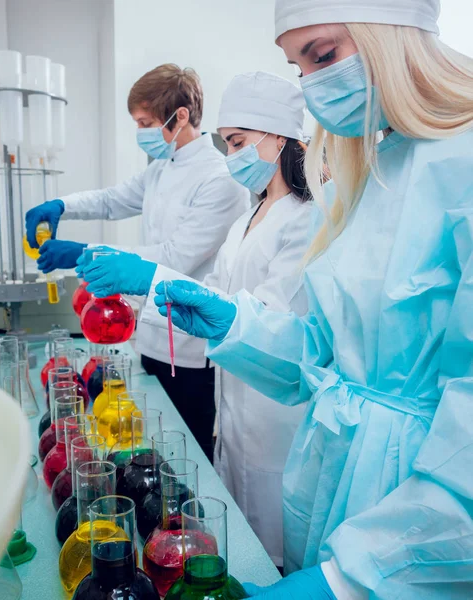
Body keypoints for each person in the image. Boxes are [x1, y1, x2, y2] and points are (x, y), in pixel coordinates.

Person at [93, 1, 473, 598]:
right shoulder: (377, 171)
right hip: (333, 485)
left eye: (323, 55)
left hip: (416, 533)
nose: (316, 88)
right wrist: (236, 327)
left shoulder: (461, 166)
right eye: (300, 69)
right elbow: (329, 350)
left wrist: (348, 582)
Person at [78, 72, 312, 567]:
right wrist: (159, 288)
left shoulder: (304, 219)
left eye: (240, 143)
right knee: (235, 544)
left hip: (273, 419)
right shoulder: (252, 215)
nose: (232, 157)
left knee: (274, 555)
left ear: (280, 137)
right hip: (233, 412)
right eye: (228, 144)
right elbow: (217, 298)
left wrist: (149, 275)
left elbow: (267, 322)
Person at [25, 64, 250, 460]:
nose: (140, 132)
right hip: (148, 340)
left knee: (185, 455)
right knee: (149, 449)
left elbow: (174, 257)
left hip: (190, 350)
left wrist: (83, 253)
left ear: (180, 115)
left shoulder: (221, 179)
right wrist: (62, 205)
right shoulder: (162, 168)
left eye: (146, 122)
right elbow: (113, 199)